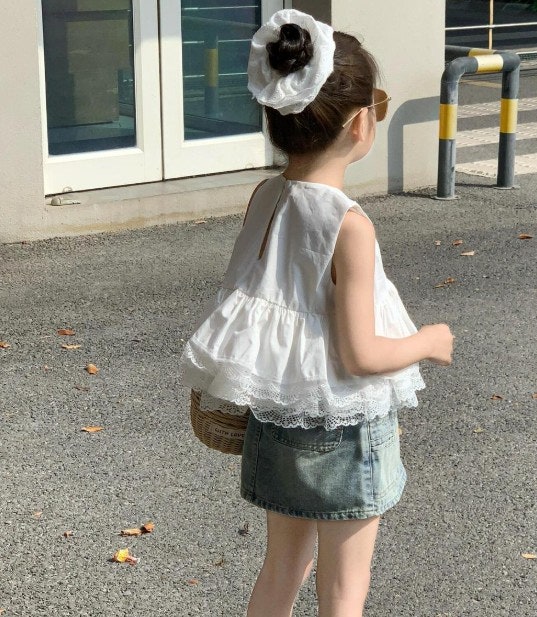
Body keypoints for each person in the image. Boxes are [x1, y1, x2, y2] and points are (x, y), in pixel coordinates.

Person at [180, 9, 454, 617]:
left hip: (278, 417)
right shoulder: (348, 225)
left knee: (282, 568)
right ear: (361, 123)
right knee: (343, 589)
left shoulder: (266, 196)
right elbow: (361, 355)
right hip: (345, 429)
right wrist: (430, 340)